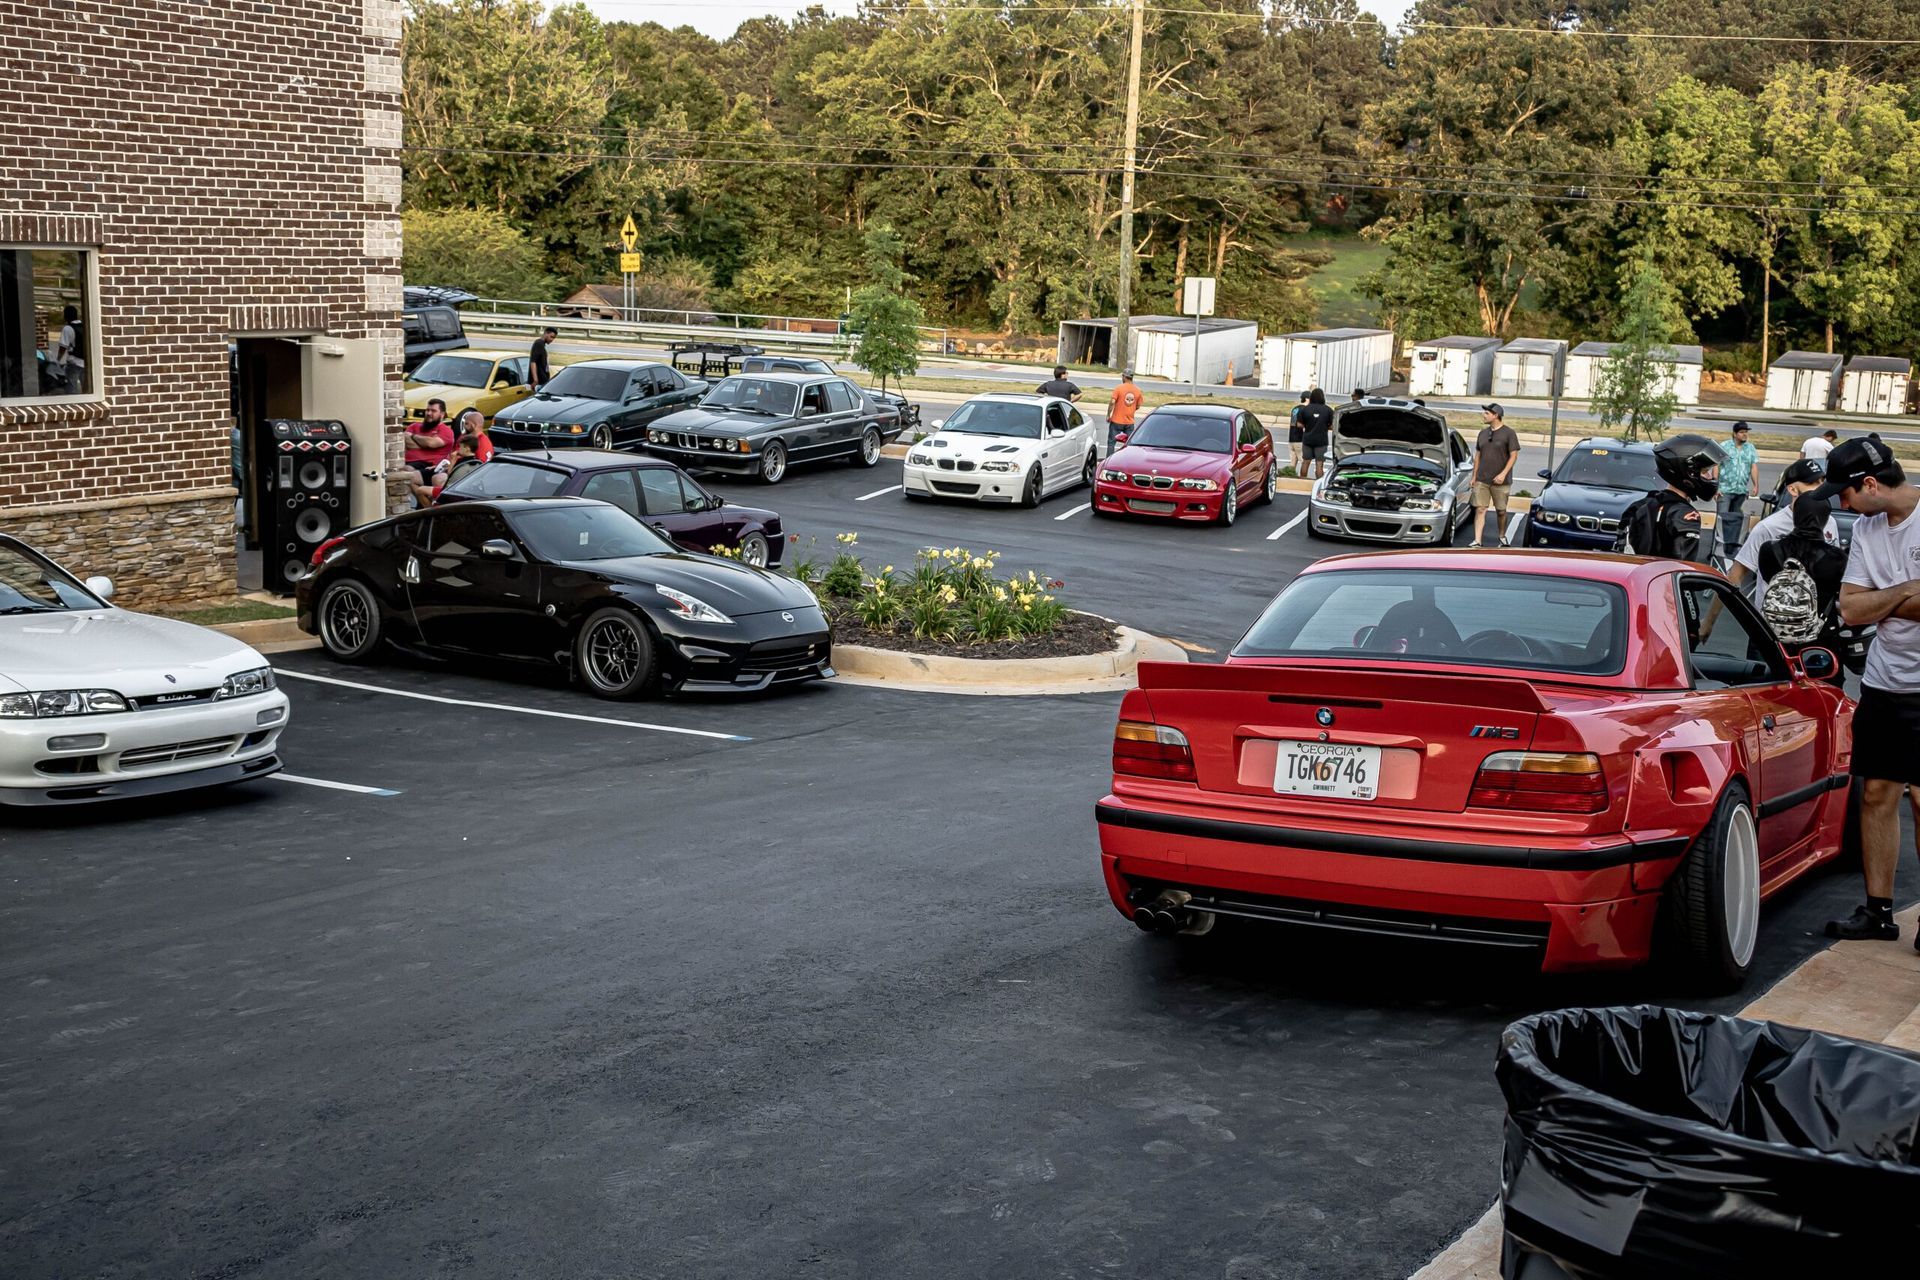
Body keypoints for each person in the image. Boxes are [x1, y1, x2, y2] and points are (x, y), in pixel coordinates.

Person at [1814, 435, 1920, 941]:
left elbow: (1863, 605)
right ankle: (1878, 913)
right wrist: (1904, 592)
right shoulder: (1869, 530)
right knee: (1877, 793)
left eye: (1845, 493)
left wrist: (1878, 600)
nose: (1841, 504)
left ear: (1871, 484)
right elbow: (1850, 608)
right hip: (1884, 681)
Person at [1756, 492, 1847, 682]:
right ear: (1826, 519)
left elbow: (1768, 579)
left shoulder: (1769, 550)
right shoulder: (1837, 558)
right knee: (1824, 698)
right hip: (1820, 642)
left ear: (1795, 515)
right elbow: (1842, 596)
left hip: (1777, 636)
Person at [1728, 458, 1837, 609]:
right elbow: (1737, 573)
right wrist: (1709, 623)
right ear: (1792, 489)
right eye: (1812, 483)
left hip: (1814, 624)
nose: (1820, 487)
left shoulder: (1830, 522)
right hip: (1773, 623)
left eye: (1821, 481)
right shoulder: (1768, 527)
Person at [1615, 434, 1723, 561]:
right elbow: (1682, 567)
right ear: (1689, 473)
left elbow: (1622, 554)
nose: (1710, 477)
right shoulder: (1685, 515)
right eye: (1705, 472)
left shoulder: (1639, 506)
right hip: (1663, 579)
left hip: (1635, 577)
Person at [1470, 403, 1520, 548]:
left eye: (1486, 413)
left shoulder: (1509, 433)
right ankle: (1477, 541)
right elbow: (1478, 456)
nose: (1483, 415)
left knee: (1501, 511)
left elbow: (1514, 456)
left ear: (1495, 415)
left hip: (1501, 481)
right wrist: (1474, 476)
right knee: (1480, 509)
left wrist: (1503, 474)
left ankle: (1502, 536)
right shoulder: (1482, 433)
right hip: (1482, 479)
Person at [1716, 422, 1758, 555]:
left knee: (1735, 522)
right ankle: (1716, 550)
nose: (1745, 434)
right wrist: (1715, 486)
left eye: (1746, 432)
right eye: (1742, 432)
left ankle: (1730, 551)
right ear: (1735, 434)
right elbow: (1716, 465)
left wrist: (1756, 484)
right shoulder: (1724, 446)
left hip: (1740, 491)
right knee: (1721, 520)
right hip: (1725, 490)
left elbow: (1753, 466)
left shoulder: (1750, 448)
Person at [407, 434, 478, 507]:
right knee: (430, 493)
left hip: (451, 492)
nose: (458, 449)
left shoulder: (462, 463)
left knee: (420, 490)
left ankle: (430, 512)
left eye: (460, 447)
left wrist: (452, 460)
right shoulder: (478, 462)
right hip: (465, 491)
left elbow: (450, 475)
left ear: (467, 449)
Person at [404, 399, 456, 484]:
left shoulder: (446, 431)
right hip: (409, 462)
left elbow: (431, 443)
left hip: (430, 466)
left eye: (433, 411)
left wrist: (413, 436)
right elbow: (406, 441)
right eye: (427, 410)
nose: (428, 413)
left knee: (406, 472)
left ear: (442, 414)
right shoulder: (414, 426)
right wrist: (425, 444)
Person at [1297, 388, 1334, 481]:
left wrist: (1308, 425)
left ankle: (1302, 481)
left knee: (1306, 462)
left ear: (1312, 397)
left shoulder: (1305, 409)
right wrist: (1324, 426)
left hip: (1307, 439)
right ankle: (1318, 484)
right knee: (1319, 464)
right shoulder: (1328, 410)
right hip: (1321, 441)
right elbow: (1333, 426)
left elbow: (1299, 424)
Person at [1106, 369, 1143, 455]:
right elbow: (1138, 406)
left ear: (1124, 377)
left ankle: (1109, 460)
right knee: (1129, 444)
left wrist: (1108, 415)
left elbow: (1112, 402)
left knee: (1111, 443)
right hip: (1129, 422)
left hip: (1116, 420)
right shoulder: (1138, 390)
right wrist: (1130, 410)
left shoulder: (1119, 388)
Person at [51, 305, 84, 393]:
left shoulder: (68, 328)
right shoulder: (84, 326)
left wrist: (57, 360)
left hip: (74, 362)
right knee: (87, 388)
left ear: (66, 316)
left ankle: (74, 404)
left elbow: (63, 347)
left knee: (71, 386)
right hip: (86, 362)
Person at [1286, 392, 1308, 475]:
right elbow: (1303, 424)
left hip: (1291, 438)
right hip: (1299, 439)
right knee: (1304, 462)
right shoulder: (1305, 409)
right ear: (1307, 399)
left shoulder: (1295, 408)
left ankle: (1290, 478)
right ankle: (1303, 481)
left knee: (1293, 463)